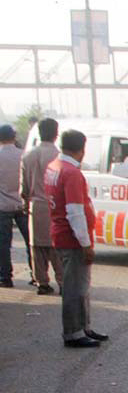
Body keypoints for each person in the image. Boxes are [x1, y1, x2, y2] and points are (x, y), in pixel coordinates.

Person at [46, 129, 108, 348]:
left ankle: (83, 327)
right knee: (75, 287)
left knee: (81, 285)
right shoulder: (71, 173)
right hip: (71, 238)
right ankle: (73, 332)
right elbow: (75, 212)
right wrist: (86, 244)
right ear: (82, 149)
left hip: (62, 233)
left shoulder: (54, 167)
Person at [21, 118, 63, 295]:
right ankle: (63, 281)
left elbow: (23, 187)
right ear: (56, 134)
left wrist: (25, 202)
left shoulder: (29, 156)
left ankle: (42, 282)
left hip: (36, 205)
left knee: (37, 247)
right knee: (57, 246)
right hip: (57, 206)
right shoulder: (60, 156)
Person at [0, 124, 33, 288]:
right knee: (30, 242)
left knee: (3, 245)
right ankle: (36, 275)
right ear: (14, 137)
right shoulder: (24, 155)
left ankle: (5, 277)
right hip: (22, 204)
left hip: (2, 206)